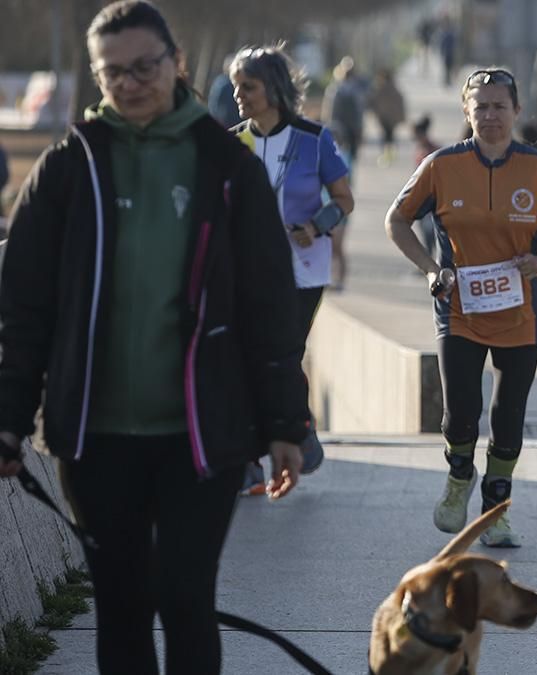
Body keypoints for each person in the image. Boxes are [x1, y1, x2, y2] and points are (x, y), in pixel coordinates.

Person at [0, 2, 310, 673]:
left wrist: (287, 420)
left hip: (202, 436)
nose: (130, 82)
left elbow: (269, 305)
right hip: (95, 437)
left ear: (178, 64)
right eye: (114, 72)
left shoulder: (228, 168)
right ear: (96, 76)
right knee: (120, 602)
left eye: (145, 66)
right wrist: (8, 417)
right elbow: (24, 309)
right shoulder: (68, 166)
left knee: (185, 595)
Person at [385, 68, 537, 547]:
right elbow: (397, 221)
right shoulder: (441, 166)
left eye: (500, 106)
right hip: (460, 309)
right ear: (467, 112)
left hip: (523, 313)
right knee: (460, 414)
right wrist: (432, 270)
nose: (491, 115)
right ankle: (458, 480)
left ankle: (496, 510)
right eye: (482, 107)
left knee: (508, 416)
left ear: (516, 111)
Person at [229, 44, 354, 495]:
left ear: (275, 88)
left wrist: (317, 225)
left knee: (281, 354)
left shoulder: (313, 138)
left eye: (249, 86)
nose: (239, 94)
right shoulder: (231, 142)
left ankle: (299, 430)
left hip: (302, 270)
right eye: (235, 86)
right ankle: (245, 459)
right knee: (239, 358)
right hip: (244, 271)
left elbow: (344, 201)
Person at [321, 56, 366, 290]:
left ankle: (339, 279)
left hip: (346, 141)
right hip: (337, 136)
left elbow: (358, 117)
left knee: (337, 242)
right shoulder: (336, 90)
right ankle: (331, 277)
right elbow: (330, 114)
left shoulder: (354, 92)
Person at [411, 114, 440, 256]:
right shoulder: (421, 148)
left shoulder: (431, 151)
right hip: (422, 196)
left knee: (431, 231)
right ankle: (428, 258)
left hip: (432, 196)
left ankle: (433, 260)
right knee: (425, 230)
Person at [368, 67, 406, 167]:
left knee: (386, 137)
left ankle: (386, 155)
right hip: (391, 118)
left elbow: (373, 102)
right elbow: (400, 103)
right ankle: (389, 155)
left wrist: (374, 112)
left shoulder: (380, 88)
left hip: (384, 117)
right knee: (390, 136)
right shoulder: (393, 89)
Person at [206, 53, 239, 128]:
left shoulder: (237, 83)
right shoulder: (222, 83)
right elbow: (214, 103)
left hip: (234, 120)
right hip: (224, 121)